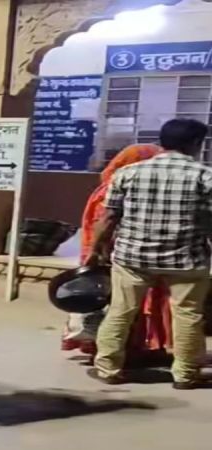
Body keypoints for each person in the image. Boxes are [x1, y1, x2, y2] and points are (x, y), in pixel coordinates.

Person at [88, 118, 212, 390]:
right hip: (186, 261)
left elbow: (108, 218)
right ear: (196, 144)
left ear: (162, 141)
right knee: (188, 315)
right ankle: (185, 375)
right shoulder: (205, 176)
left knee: (121, 312)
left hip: (132, 258)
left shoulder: (128, 173)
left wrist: (95, 251)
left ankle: (108, 368)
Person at [63, 144, 171, 361]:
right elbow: (104, 223)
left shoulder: (109, 187)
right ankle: (116, 354)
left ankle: (118, 352)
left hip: (115, 255)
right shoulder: (114, 190)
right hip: (116, 256)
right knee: (120, 307)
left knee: (118, 306)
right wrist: (99, 252)